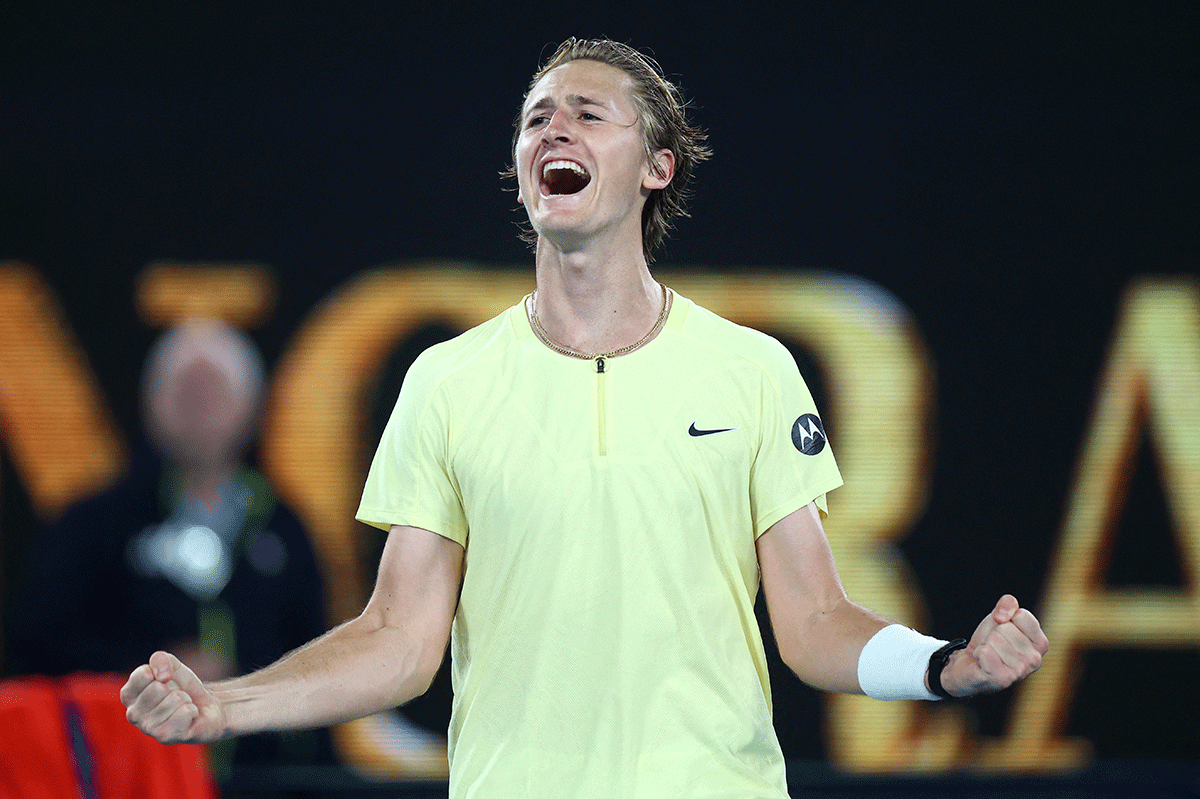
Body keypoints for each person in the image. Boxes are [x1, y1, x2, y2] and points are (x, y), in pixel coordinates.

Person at [121, 39, 1049, 797]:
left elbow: (813, 622)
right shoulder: (445, 382)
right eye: (535, 119)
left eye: (585, 113)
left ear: (656, 167)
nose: (551, 128)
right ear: (525, 172)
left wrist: (944, 667)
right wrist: (223, 705)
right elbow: (400, 640)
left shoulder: (753, 370)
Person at [16, 318, 334, 768]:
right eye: (185, 389)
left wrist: (240, 681)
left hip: (260, 778)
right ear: (152, 400)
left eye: (214, 389)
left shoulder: (285, 528)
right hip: (127, 775)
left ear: (250, 405)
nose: (199, 405)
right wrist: (155, 675)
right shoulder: (92, 525)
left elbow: (319, 659)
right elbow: (38, 650)